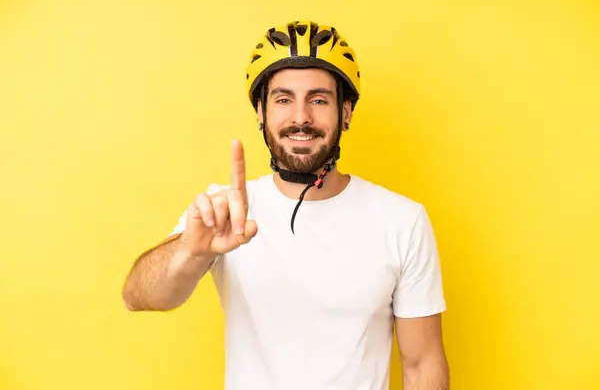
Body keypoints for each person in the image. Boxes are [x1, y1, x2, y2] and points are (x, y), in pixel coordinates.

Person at [122, 20, 449, 390]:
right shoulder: (224, 212)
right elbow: (138, 296)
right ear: (261, 113)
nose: (300, 117)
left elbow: (422, 365)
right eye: (283, 99)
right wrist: (191, 250)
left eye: (319, 99)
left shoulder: (402, 221)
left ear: (346, 112)